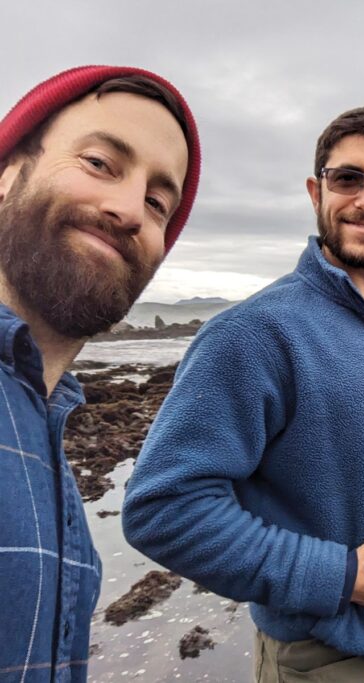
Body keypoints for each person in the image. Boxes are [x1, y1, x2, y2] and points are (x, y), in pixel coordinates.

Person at [122, 106, 364, 681]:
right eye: (348, 179)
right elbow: (164, 508)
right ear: (316, 192)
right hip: (329, 653)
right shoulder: (256, 335)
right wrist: (341, 575)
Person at [0, 66, 201, 682]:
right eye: (98, 162)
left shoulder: (42, 418)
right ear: (8, 173)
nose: (128, 210)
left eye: (157, 202)